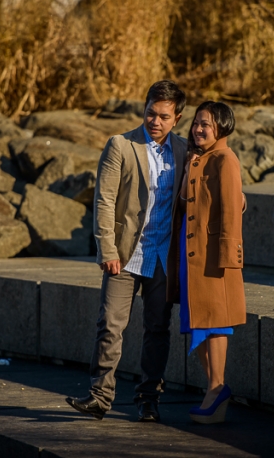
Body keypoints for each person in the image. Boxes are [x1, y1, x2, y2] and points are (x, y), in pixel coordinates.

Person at [65, 80, 188, 422]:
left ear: (177, 118)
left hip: (163, 257)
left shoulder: (184, 150)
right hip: (124, 254)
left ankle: (149, 399)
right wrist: (107, 248)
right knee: (109, 325)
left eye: (163, 116)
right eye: (150, 113)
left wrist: (237, 200)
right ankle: (99, 396)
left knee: (157, 329)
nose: (155, 121)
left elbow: (210, 182)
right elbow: (104, 200)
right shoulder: (120, 145)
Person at [166, 101, 246, 424]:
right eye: (197, 123)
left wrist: (229, 258)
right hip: (191, 257)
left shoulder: (226, 159)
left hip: (213, 258)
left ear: (222, 128)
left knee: (214, 323)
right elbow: (185, 204)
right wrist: (188, 170)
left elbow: (231, 210)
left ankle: (216, 388)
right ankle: (214, 389)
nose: (198, 129)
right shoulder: (197, 158)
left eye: (206, 124)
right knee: (195, 321)